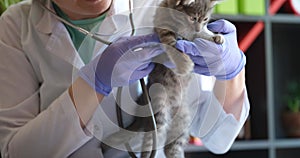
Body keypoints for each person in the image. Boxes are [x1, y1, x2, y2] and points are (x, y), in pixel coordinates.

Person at [0, 0, 250, 157]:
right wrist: (93, 84)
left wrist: (233, 69)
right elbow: (17, 152)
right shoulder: (15, 26)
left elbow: (219, 137)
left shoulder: (158, 9)